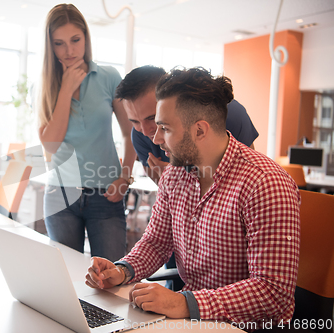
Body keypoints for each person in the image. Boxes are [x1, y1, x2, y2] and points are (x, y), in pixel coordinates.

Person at [85, 67, 300, 329]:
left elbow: (272, 292)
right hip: (192, 318)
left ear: (199, 130)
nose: (154, 138)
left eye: (164, 128)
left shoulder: (265, 183)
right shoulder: (175, 175)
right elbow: (156, 242)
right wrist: (122, 270)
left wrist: (184, 303)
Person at [37, 4, 136, 262]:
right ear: (50, 46)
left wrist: (125, 177)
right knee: (67, 279)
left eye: (75, 40)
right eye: (59, 43)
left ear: (86, 38)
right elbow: (51, 145)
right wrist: (66, 89)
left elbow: (130, 133)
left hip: (107, 193)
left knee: (111, 279)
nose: (69, 50)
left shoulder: (109, 77)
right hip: (61, 195)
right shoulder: (44, 85)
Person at [115, 65, 259, 184]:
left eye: (152, 118)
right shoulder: (139, 135)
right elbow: (166, 197)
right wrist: (171, 179)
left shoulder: (229, 114)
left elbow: (250, 173)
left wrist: (182, 176)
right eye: (134, 121)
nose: (146, 132)